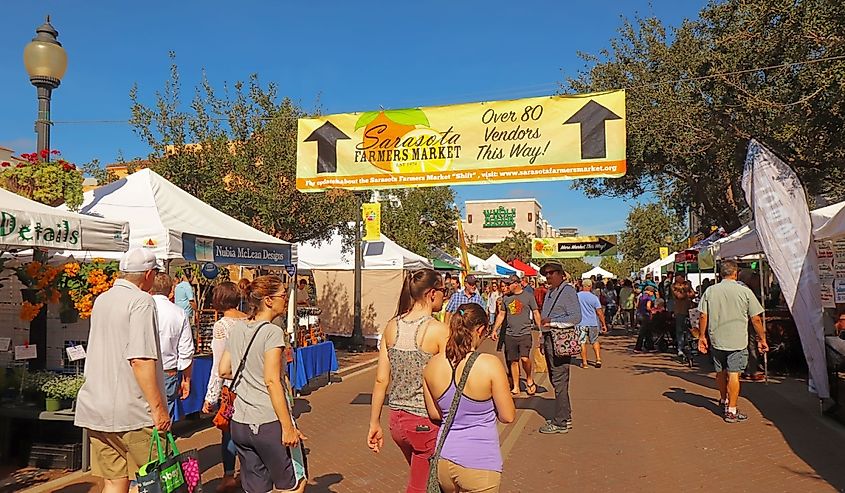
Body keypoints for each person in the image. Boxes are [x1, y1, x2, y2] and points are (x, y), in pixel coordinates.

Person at [74, 249, 170, 493]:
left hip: (96, 406)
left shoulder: (102, 299)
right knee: (156, 479)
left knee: (114, 481)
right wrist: (158, 409)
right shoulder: (141, 301)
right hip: (133, 411)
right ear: (148, 274)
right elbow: (141, 359)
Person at [219, 275, 306, 492]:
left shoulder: (237, 328)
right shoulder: (272, 332)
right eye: (283, 295)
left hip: (240, 422)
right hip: (267, 420)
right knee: (295, 482)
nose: (286, 300)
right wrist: (287, 427)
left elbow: (224, 369)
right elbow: (271, 380)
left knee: (256, 487)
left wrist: (249, 375)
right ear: (268, 300)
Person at [368, 269, 450, 493]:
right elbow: (450, 379)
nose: (446, 295)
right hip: (426, 421)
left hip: (397, 421)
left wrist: (374, 422)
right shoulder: (439, 330)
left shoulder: (391, 326)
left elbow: (381, 379)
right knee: (422, 486)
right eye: (444, 290)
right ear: (432, 293)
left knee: (425, 478)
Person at [422, 303, 515, 493]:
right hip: (479, 461)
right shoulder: (490, 364)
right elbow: (508, 416)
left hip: (444, 459)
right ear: (480, 329)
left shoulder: (432, 364)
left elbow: (434, 413)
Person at [698, 260, 768, 423]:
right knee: (734, 374)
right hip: (737, 340)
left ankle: (723, 400)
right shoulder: (744, 291)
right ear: (735, 273)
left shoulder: (710, 291)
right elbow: (756, 318)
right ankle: (732, 410)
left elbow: (703, 315)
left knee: (720, 371)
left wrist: (702, 336)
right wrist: (762, 338)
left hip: (716, 338)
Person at [203, 282, 248, 493]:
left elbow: (218, 363)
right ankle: (248, 472)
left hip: (231, 385)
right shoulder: (249, 319)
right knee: (247, 430)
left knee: (229, 431)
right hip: (250, 383)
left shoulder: (222, 325)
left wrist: (211, 396)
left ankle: (229, 475)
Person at [537, 262, 582, 434]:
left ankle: (561, 421)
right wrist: (542, 337)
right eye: (546, 274)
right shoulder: (551, 291)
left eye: (551, 273)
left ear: (561, 274)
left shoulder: (567, 291)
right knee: (556, 379)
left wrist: (553, 323)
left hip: (560, 339)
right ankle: (565, 417)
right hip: (550, 338)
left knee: (559, 380)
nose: (548, 276)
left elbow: (576, 317)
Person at [149, 273, 195, 420]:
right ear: (171, 291)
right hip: (168, 371)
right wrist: (186, 380)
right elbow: (186, 351)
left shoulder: (140, 308)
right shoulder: (179, 313)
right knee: (164, 420)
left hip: (142, 369)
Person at [492, 274, 541, 396]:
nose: (507, 287)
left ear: (517, 284)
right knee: (513, 361)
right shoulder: (506, 298)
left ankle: (529, 378)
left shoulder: (528, 296)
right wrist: (494, 330)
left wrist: (541, 329)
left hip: (524, 333)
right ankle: (516, 385)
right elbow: (501, 315)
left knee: (525, 359)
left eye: (509, 284)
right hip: (510, 334)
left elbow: (535, 313)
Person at [577, 279, 607, 369]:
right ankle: (598, 358)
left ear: (582, 286)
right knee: (595, 341)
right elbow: (599, 311)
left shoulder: (576, 296)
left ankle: (585, 362)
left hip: (580, 323)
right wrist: (603, 324)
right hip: (592, 323)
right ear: (590, 286)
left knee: (582, 342)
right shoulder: (594, 298)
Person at [672, 274, 696, 358]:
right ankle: (680, 348)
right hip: (679, 310)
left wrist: (687, 291)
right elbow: (679, 296)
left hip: (689, 310)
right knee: (680, 330)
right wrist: (686, 292)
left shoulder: (687, 284)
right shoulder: (674, 286)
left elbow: (693, 294)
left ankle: (690, 346)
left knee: (690, 329)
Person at [633, 286, 657, 353]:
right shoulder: (648, 298)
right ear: (650, 291)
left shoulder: (640, 297)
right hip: (645, 316)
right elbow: (648, 307)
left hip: (639, 314)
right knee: (642, 332)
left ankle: (650, 346)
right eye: (652, 292)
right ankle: (638, 347)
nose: (653, 294)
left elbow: (637, 305)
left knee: (648, 332)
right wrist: (652, 310)